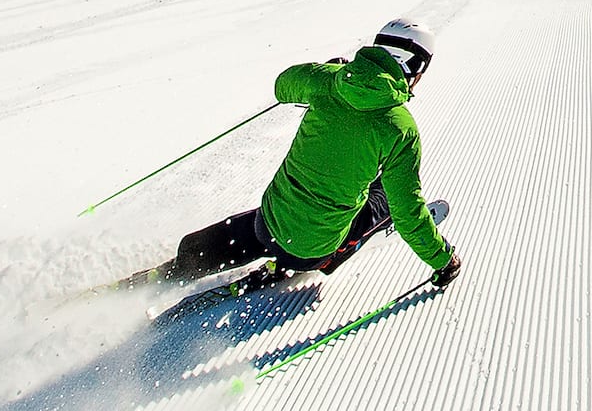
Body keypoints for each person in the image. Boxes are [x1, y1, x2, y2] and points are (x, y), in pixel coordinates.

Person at [138, 19, 461, 290]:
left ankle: (172, 270)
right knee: (385, 194)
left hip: (268, 223)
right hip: (314, 250)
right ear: (413, 67)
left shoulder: (328, 81)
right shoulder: (400, 128)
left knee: (246, 233)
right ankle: (320, 256)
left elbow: (283, 86)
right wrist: (444, 260)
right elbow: (409, 215)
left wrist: (328, 72)